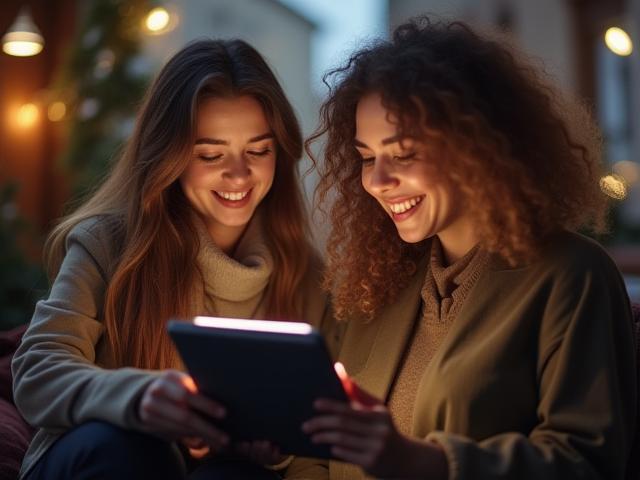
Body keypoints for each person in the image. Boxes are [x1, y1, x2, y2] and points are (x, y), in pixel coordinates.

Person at [285, 17, 638, 480]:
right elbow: (316, 450)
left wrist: (420, 462)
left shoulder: (570, 275)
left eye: (404, 153)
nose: (377, 181)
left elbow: (585, 461)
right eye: (367, 157)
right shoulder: (375, 285)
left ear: (476, 146)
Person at [12, 38, 335, 480]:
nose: (239, 174)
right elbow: (37, 373)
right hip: (101, 459)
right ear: (171, 156)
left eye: (259, 150)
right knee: (129, 448)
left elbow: (313, 455)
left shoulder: (305, 278)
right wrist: (138, 400)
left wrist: (272, 451)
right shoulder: (110, 244)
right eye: (210, 154)